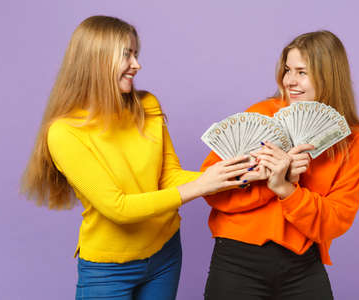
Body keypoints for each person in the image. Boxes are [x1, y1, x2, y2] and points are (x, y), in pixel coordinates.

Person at [21, 15, 256, 300]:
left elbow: (169, 176)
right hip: (108, 271)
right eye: (127, 55)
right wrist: (203, 185)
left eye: (136, 54)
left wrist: (235, 175)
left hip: (165, 255)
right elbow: (118, 208)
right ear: (96, 60)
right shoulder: (64, 133)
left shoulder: (147, 104)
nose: (137, 64)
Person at [201, 30, 359, 299]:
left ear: (329, 75)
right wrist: (266, 181)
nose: (290, 81)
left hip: (303, 263)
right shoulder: (260, 113)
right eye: (287, 70)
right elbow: (211, 192)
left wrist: (286, 189)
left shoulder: (350, 138)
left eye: (302, 72)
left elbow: (336, 220)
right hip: (237, 259)